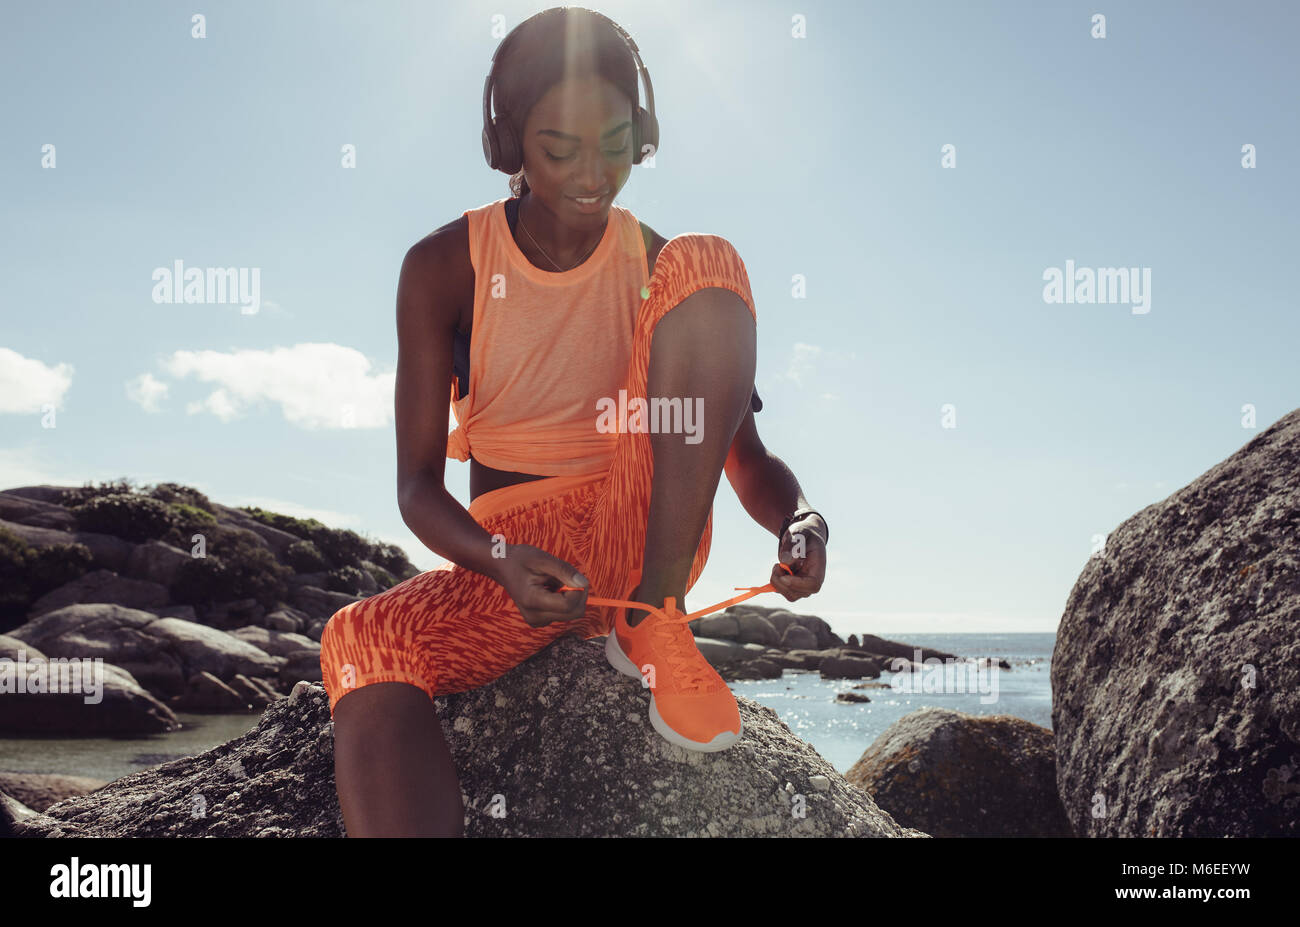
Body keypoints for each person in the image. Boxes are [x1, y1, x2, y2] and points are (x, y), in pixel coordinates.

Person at [319, 6, 829, 837]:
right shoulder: (444, 266)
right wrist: (500, 560)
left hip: (642, 534)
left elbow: (744, 456)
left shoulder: (661, 266)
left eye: (617, 142)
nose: (593, 172)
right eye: (559, 149)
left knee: (709, 259)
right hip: (513, 567)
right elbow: (416, 487)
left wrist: (798, 517)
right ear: (510, 142)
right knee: (359, 637)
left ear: (643, 131)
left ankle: (652, 623)